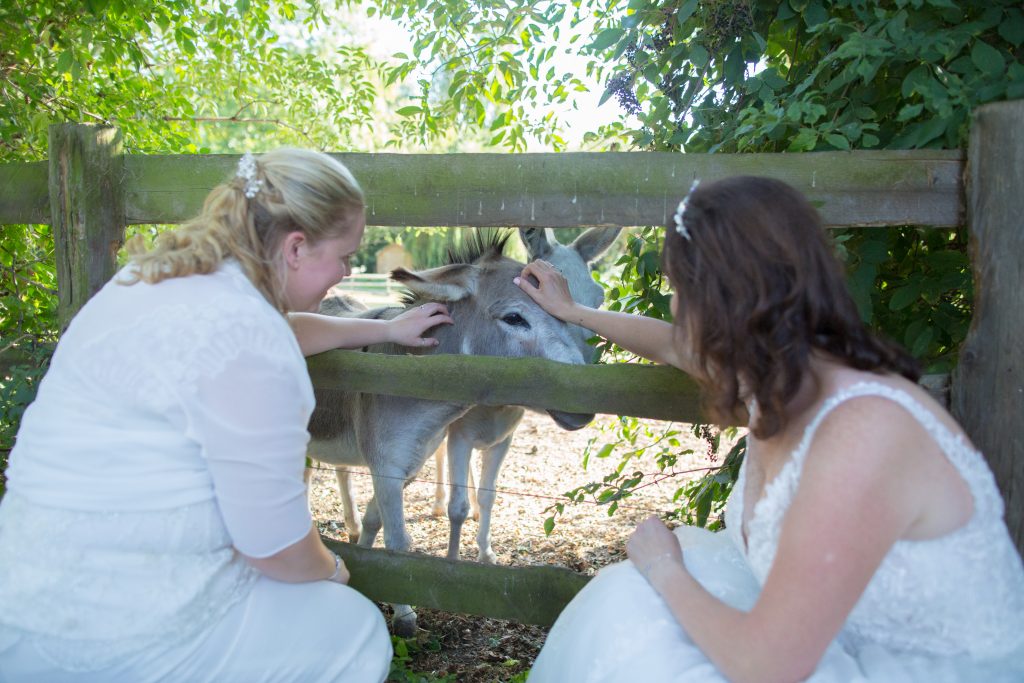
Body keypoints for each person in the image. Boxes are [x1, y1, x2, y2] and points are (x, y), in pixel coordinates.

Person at [516, 176, 1024, 682]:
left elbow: (768, 667)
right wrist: (573, 312)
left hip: (905, 669)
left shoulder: (863, 430)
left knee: (637, 618)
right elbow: (671, 344)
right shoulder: (776, 368)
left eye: (678, 291)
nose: (673, 307)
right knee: (624, 615)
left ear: (720, 302)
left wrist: (662, 567)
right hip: (828, 640)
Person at [0, 149, 452, 682]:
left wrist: (382, 329)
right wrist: (333, 569)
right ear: (297, 248)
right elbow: (277, 547)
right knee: (350, 629)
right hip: (116, 636)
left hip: (22, 596)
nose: (347, 272)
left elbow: (280, 329)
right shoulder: (252, 342)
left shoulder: (154, 281)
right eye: (345, 256)